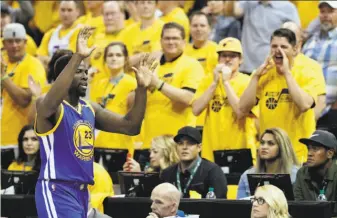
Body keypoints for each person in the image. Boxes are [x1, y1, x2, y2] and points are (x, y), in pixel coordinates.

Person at [34, 26, 154, 218]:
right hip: (57, 188)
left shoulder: (90, 108)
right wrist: (78, 57)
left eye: (85, 71)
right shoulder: (48, 105)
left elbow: (131, 126)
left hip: (82, 192)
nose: (84, 76)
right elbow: (49, 104)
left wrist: (141, 89)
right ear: (64, 75)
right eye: (78, 71)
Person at [239, 28, 319, 162]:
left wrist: (287, 73)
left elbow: (304, 105)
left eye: (283, 47)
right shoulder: (263, 74)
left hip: (298, 153)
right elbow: (243, 108)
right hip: (269, 154)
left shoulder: (307, 72)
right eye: (274, 46)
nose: (278, 50)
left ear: (295, 49)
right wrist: (255, 77)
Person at [192, 37, 258, 163]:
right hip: (212, 149)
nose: (227, 59)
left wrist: (226, 83)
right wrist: (214, 83)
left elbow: (240, 112)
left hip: (240, 149)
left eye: (232, 56)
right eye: (223, 55)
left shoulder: (247, 82)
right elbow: (196, 109)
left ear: (241, 60)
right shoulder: (208, 80)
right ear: (218, 59)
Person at [141, 22, 204, 149]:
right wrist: (141, 86)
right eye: (167, 38)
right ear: (161, 41)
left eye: (175, 38)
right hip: (150, 142)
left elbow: (187, 97)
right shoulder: (152, 66)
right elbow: (132, 101)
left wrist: (157, 83)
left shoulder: (192, 65)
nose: (171, 42)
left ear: (184, 42)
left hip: (178, 142)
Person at [1, 23, 46, 169]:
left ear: (26, 42)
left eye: (18, 41)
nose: (14, 45)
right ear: (3, 43)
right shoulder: (3, 62)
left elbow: (24, 99)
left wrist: (3, 77)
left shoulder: (33, 64)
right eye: (10, 41)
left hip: (16, 140)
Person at [224, 0, 300, 74]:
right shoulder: (249, 3)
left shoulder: (288, 7)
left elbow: (296, 34)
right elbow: (230, 12)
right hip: (247, 66)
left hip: (272, 67)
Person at [90, 42, 137, 155]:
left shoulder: (132, 83)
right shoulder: (98, 84)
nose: (114, 58)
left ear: (126, 59)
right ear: (105, 59)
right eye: (110, 55)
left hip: (121, 145)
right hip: (97, 144)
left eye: (118, 55)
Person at [161, 126, 227, 199]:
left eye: (190, 143)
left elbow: (219, 206)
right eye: (180, 143)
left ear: (199, 147)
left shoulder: (213, 172)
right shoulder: (167, 173)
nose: (184, 147)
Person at [282, 21, 327, 121]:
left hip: (301, 129)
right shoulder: (268, 66)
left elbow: (320, 101)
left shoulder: (312, 66)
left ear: (300, 43)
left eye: (292, 39)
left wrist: (308, 124)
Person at [237, 128, 299, 199]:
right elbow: (240, 206)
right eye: (262, 143)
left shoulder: (296, 175)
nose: (264, 147)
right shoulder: (246, 176)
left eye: (271, 143)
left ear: (282, 148)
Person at [302, 1, 337, 108]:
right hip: (305, 107)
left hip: (331, 109)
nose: (325, 15)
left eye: (330, 11)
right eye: (322, 12)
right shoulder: (310, 41)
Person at [294, 130, 337, 214]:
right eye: (309, 148)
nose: (309, 153)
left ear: (330, 153)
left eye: (315, 149)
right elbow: (297, 207)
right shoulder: (302, 173)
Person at [37, 1, 81, 70]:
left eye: (69, 10)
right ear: (58, 11)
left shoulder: (81, 32)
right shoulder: (50, 33)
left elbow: (68, 60)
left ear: (77, 12)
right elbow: (39, 57)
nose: (65, 14)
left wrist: (48, 61)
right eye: (62, 10)